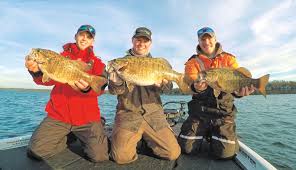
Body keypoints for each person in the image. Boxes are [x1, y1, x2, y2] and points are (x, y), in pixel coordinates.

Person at [25, 25, 109, 162]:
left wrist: (87, 89)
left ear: (92, 41)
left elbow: (100, 89)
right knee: (35, 151)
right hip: (59, 115)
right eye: (82, 35)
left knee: (99, 157)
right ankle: (68, 135)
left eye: (89, 37)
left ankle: (99, 123)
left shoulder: (99, 64)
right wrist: (35, 71)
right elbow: (45, 81)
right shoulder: (60, 57)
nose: (84, 38)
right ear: (75, 36)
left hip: (86, 117)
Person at [178, 27, 255, 159]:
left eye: (209, 38)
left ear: (215, 39)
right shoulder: (192, 62)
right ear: (198, 41)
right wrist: (196, 87)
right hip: (199, 113)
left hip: (223, 113)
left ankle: (219, 133)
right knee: (187, 148)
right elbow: (187, 86)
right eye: (203, 39)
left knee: (225, 154)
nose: (206, 41)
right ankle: (205, 131)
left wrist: (240, 92)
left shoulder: (229, 59)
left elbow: (236, 85)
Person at [108, 27, 181, 164]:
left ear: (150, 43)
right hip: (128, 114)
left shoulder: (159, 63)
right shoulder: (122, 63)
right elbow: (113, 91)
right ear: (132, 41)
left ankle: (148, 142)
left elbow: (169, 88)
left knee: (173, 153)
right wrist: (117, 83)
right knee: (120, 157)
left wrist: (164, 84)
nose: (141, 44)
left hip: (154, 114)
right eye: (138, 40)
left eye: (145, 41)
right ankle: (137, 139)